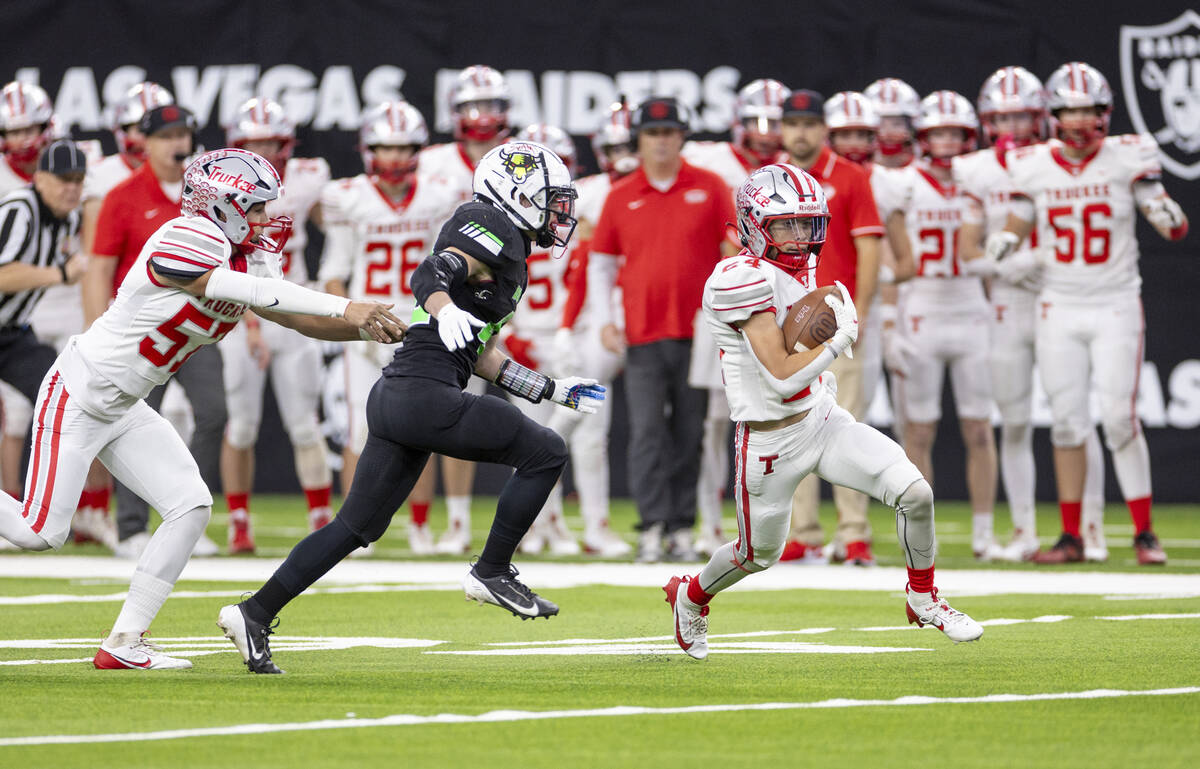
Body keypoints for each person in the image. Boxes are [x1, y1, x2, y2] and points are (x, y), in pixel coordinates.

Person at [0, 147, 403, 669]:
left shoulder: (245, 255)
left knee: (190, 504)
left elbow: (298, 318)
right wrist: (346, 304)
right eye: (254, 208)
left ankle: (124, 642)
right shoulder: (189, 235)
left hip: (125, 402)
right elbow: (235, 287)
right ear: (223, 205)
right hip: (81, 389)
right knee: (39, 532)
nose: (264, 220)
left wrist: (375, 326)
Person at [217, 141, 603, 674]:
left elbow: (481, 354)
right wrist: (443, 309)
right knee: (546, 451)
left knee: (356, 527)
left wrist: (550, 388)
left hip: (402, 395)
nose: (560, 212)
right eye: (551, 199)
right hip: (424, 393)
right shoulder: (486, 221)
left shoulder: (508, 246)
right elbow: (430, 275)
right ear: (517, 194)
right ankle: (492, 570)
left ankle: (253, 613)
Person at [663, 163, 982, 660]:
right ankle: (692, 595)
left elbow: (802, 369)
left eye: (807, 224)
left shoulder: (797, 266)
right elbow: (783, 375)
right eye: (784, 225)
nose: (798, 238)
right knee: (755, 555)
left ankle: (923, 598)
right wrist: (838, 340)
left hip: (821, 419)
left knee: (916, 493)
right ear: (753, 224)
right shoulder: (736, 278)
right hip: (768, 440)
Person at [988, 62, 1187, 565]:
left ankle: (1144, 532)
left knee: (1120, 419)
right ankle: (1071, 535)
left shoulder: (1127, 156)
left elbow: (1166, 216)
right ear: (1054, 114)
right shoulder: (1032, 164)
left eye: (1088, 109)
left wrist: (1168, 215)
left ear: (1105, 113)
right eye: (1070, 109)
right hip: (1059, 304)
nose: (1079, 120)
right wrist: (1007, 240)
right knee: (1067, 425)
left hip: (1115, 302)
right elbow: (1021, 215)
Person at [955, 66, 1108, 562]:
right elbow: (967, 253)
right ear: (985, 122)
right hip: (1005, 305)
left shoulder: (1053, 161)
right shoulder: (975, 170)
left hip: (1058, 300)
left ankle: (1091, 528)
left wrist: (1044, 261)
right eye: (1001, 120)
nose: (1012, 130)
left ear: (1042, 118)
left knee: (1075, 421)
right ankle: (1024, 530)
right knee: (1015, 423)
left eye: (1022, 118)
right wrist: (1012, 265)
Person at [589, 96, 737, 563]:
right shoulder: (620, 195)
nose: (661, 141)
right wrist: (604, 319)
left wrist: (731, 313)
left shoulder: (711, 187)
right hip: (642, 330)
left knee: (691, 433)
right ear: (639, 139)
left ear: (682, 136)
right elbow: (600, 264)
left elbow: (735, 251)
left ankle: (680, 528)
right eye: (653, 133)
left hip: (700, 331)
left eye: (670, 132)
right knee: (648, 431)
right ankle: (651, 526)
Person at [318, 100, 460, 554]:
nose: (394, 158)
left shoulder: (439, 195)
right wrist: (348, 313)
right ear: (368, 149)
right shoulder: (347, 196)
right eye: (385, 148)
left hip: (418, 328)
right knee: (356, 434)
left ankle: (420, 527)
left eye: (403, 148)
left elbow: (445, 267)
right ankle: (351, 531)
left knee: (423, 429)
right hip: (365, 330)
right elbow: (335, 270)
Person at [86, 104, 225, 559]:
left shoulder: (206, 197)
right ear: (143, 142)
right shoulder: (122, 196)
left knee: (215, 412)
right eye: (166, 136)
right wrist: (95, 332)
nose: (177, 143)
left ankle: (186, 516)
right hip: (141, 332)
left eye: (183, 133)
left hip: (194, 325)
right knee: (130, 418)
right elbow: (99, 269)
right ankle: (130, 528)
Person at [218, 96, 334, 553]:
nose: (264, 151)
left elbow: (337, 224)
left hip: (293, 307)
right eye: (254, 143)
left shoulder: (306, 180)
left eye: (271, 142)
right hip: (239, 309)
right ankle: (238, 522)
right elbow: (223, 260)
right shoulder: (220, 189)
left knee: (305, 424)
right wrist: (249, 321)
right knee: (241, 425)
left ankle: (322, 518)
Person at [775, 89, 885, 566]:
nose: (801, 132)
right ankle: (803, 532)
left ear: (824, 128)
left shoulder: (851, 176)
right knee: (792, 427)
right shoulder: (770, 180)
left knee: (847, 427)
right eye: (792, 123)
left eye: (810, 123)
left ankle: (853, 533)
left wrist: (856, 314)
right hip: (787, 324)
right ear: (781, 129)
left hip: (838, 320)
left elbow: (871, 248)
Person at [889, 91, 1000, 561]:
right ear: (924, 137)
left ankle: (984, 531)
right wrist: (891, 320)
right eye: (939, 133)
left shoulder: (984, 178)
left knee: (979, 428)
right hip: (923, 311)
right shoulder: (901, 183)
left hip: (972, 309)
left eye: (956, 132)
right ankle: (920, 533)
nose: (949, 142)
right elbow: (896, 257)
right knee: (918, 432)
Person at [682, 78, 789, 556]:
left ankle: (765, 523)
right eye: (757, 122)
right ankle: (708, 520)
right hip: (727, 304)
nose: (766, 133)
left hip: (776, 304)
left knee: (776, 418)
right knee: (713, 422)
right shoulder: (710, 162)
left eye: (775, 123)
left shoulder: (795, 170)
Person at [70, 82, 177, 551]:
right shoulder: (111, 182)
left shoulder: (190, 178)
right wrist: (97, 324)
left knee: (197, 414)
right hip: (125, 319)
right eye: (135, 126)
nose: (142, 136)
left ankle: (164, 511)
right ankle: (98, 511)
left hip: (181, 320)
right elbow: (99, 260)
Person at [413, 65, 514, 553]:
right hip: (433, 290)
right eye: (473, 107)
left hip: (485, 299)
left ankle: (457, 521)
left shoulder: (516, 159)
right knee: (429, 401)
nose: (482, 117)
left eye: (492, 106)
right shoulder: (430, 162)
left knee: (463, 405)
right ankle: (417, 520)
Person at [547, 102, 636, 557]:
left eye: (629, 144)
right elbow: (581, 269)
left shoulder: (659, 190)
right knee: (584, 423)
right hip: (596, 327)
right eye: (615, 146)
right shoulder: (588, 194)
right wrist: (566, 327)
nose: (624, 155)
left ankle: (573, 521)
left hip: (634, 320)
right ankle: (588, 525)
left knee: (583, 425)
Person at [503, 123, 582, 556]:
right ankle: (537, 525)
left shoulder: (572, 219)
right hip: (528, 337)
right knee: (533, 438)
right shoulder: (509, 221)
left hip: (563, 337)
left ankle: (557, 522)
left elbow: (583, 282)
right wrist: (511, 334)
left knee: (565, 433)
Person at [0, 140, 87, 444]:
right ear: (39, 178)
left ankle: (46, 491)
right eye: (64, 180)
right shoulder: (19, 209)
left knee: (63, 401)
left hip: (13, 334)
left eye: (78, 181)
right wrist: (60, 274)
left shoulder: (70, 219)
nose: (72, 189)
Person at [0, 82, 56, 505]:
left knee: (63, 400)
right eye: (12, 131)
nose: (20, 140)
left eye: (27, 130)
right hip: (29, 288)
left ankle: (73, 507)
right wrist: (60, 272)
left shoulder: (64, 168)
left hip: (21, 318)